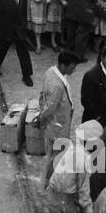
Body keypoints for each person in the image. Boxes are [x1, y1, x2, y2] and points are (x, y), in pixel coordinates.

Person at [36, 51, 82, 182]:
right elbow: (50, 108)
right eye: (72, 67)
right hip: (57, 126)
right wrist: (43, 120)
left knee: (54, 155)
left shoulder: (51, 71)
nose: (74, 69)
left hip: (56, 124)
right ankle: (48, 182)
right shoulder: (57, 85)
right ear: (63, 65)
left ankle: (50, 179)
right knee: (54, 157)